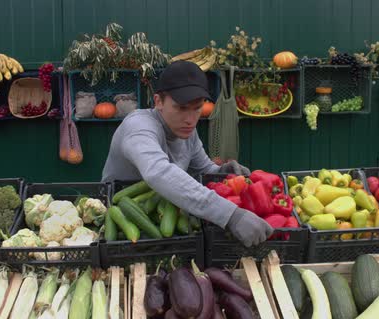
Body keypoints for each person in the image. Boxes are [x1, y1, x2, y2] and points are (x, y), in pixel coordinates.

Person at [102, 60, 273, 247]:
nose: (191, 119)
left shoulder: (185, 130)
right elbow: (158, 172)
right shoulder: (138, 127)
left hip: (163, 219)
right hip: (120, 221)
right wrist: (230, 215)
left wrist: (221, 171)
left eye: (197, 108)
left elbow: (203, 168)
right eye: (181, 108)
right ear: (158, 101)